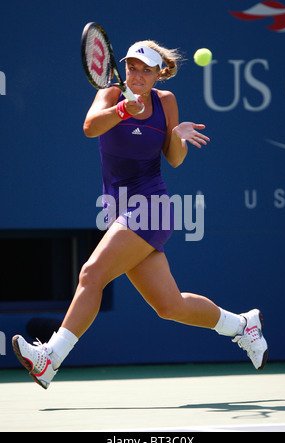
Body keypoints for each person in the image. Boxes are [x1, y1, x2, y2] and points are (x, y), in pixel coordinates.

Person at [12, 40, 268, 389]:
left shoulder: (167, 102)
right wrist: (122, 110)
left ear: (159, 74)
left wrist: (176, 136)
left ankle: (51, 358)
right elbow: (90, 127)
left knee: (92, 273)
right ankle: (242, 325)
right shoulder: (111, 94)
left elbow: (174, 159)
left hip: (151, 205)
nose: (137, 75)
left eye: (146, 70)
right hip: (119, 208)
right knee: (170, 305)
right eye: (132, 67)